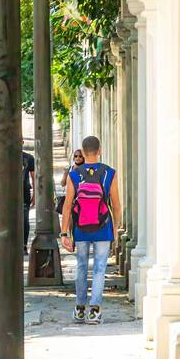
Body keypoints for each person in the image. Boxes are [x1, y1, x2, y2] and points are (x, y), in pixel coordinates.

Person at [60, 135, 122, 325]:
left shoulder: (74, 174)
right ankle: (95, 311)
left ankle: (79, 309)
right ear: (99, 150)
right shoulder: (109, 173)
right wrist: (116, 227)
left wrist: (64, 233)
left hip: (81, 227)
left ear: (83, 152)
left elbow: (68, 206)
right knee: (99, 268)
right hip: (103, 227)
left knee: (81, 266)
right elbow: (117, 205)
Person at [22, 147, 37, 255]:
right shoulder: (4, 156)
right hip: (8, 194)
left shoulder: (28, 158)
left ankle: (23, 245)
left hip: (24, 193)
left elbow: (34, 177)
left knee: (24, 220)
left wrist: (35, 195)